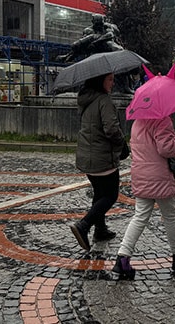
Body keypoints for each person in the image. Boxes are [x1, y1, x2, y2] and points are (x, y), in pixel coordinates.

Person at [112, 114, 175, 280]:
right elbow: (166, 148)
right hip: (160, 176)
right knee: (170, 216)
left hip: (141, 175)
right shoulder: (162, 120)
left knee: (139, 216)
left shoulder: (137, 122)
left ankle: (123, 257)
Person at [70, 73, 129, 251]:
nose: (113, 83)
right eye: (109, 79)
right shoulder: (104, 100)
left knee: (99, 193)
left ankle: (100, 229)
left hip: (87, 158)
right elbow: (111, 128)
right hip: (103, 158)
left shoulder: (87, 100)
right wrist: (123, 144)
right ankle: (84, 225)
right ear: (100, 80)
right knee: (110, 196)